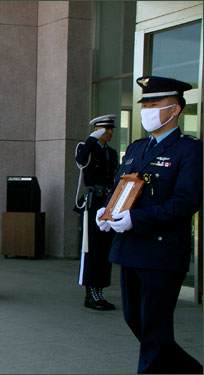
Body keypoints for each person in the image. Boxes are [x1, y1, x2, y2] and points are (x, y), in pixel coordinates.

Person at [97, 76, 203, 374]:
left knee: (155, 330)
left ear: (175, 110)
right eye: (145, 104)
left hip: (161, 253)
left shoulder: (189, 150)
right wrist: (107, 212)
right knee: (136, 320)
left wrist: (137, 218)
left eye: (155, 105)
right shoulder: (136, 148)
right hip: (130, 249)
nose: (147, 111)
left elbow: (186, 202)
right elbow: (120, 189)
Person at [75, 114, 118, 310]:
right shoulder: (87, 148)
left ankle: (100, 290)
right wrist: (92, 139)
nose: (109, 133)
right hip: (92, 204)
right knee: (91, 248)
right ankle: (90, 293)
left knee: (103, 248)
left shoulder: (113, 153)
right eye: (105, 129)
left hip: (107, 201)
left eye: (111, 129)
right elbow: (81, 160)